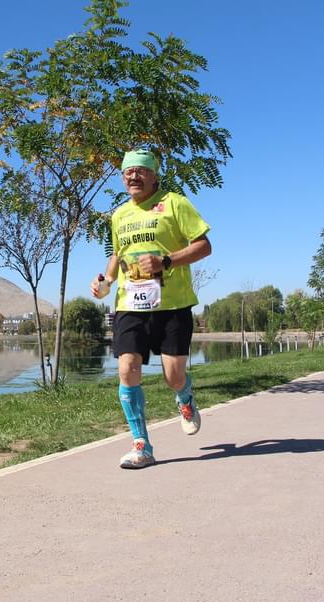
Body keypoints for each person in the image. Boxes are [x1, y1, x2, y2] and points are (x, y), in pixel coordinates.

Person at [91, 149, 212, 469]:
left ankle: (184, 398)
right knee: (127, 367)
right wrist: (106, 280)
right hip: (130, 304)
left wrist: (167, 260)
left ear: (154, 175)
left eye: (141, 171)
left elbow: (205, 246)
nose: (134, 176)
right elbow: (117, 255)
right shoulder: (118, 215)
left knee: (173, 376)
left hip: (172, 304)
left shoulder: (175, 203)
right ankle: (141, 444)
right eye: (128, 171)